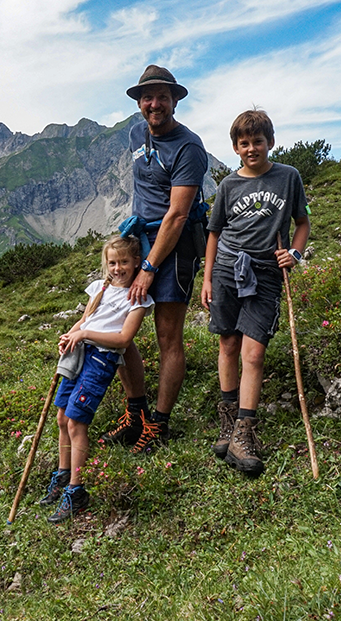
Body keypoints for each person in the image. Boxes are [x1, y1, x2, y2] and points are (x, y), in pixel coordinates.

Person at [100, 65, 209, 454]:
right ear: (139, 102)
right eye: (148, 97)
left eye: (163, 96)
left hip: (175, 249)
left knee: (168, 338)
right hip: (136, 242)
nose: (154, 104)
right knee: (117, 330)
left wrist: (149, 268)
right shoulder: (135, 133)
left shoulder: (188, 147)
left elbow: (178, 215)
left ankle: (158, 426)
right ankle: (135, 414)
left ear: (175, 100)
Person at [200, 109, 310, 476]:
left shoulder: (288, 177)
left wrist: (295, 253)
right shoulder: (229, 185)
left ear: (270, 142)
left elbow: (302, 222)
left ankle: (244, 432)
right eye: (244, 143)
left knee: (254, 351)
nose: (252, 148)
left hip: (265, 273)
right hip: (227, 270)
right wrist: (207, 279)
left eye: (257, 141)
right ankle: (228, 423)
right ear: (235, 148)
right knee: (228, 344)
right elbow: (214, 233)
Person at [41, 235, 154, 522]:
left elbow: (124, 339)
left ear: (137, 263)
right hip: (78, 352)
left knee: (77, 421)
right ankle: (63, 474)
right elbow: (85, 319)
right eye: (112, 262)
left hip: (101, 358)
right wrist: (72, 333)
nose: (118, 268)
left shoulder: (138, 299)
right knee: (62, 417)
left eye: (124, 262)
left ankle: (77, 491)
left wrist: (85, 334)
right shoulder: (100, 288)